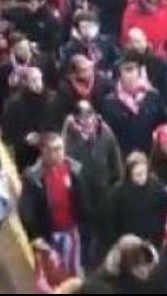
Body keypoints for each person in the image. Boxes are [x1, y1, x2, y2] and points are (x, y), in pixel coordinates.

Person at [19, 134, 90, 280]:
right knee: (51, 276)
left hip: (72, 232)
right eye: (55, 149)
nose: (60, 153)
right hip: (49, 237)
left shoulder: (73, 169)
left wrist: (84, 226)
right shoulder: (33, 177)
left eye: (61, 148)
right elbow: (26, 209)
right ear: (44, 152)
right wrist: (35, 236)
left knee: (74, 273)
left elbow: (83, 200)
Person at [61, 100, 123, 257]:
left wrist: (116, 182)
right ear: (75, 119)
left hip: (104, 190)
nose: (87, 120)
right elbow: (67, 164)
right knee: (86, 231)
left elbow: (115, 158)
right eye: (82, 117)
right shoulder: (69, 138)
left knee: (106, 230)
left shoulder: (105, 132)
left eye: (90, 115)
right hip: (81, 194)